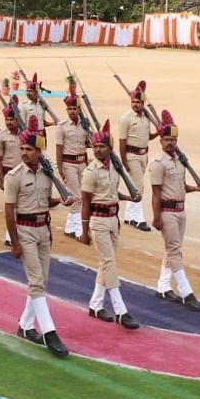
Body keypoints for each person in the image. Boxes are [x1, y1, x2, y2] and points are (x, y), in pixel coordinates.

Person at [5, 118, 72, 357]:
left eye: (29, 149)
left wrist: (61, 201)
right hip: (25, 231)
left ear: (39, 151)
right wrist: (14, 242)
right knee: (35, 280)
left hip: (44, 229)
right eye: (22, 148)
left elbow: (45, 201)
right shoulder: (13, 176)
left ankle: (25, 325)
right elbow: (9, 211)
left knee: (41, 281)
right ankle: (49, 332)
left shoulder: (46, 175)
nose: (24, 153)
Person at [79, 121, 141, 329]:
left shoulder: (115, 167)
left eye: (101, 146)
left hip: (114, 220)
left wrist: (130, 197)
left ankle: (95, 305)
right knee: (109, 263)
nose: (97, 150)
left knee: (106, 263)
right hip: (98, 221)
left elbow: (112, 193)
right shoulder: (90, 171)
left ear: (109, 148)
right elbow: (86, 203)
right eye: (95, 146)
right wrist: (84, 229)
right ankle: (121, 311)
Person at [149, 111, 200, 311]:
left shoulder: (179, 161)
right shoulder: (158, 164)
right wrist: (156, 217)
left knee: (171, 250)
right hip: (167, 211)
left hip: (181, 210)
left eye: (173, 139)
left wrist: (196, 188)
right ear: (161, 141)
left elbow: (180, 186)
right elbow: (156, 193)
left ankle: (163, 286)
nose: (170, 143)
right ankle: (186, 292)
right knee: (175, 251)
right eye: (166, 139)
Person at [117, 81, 158, 231]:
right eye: (133, 102)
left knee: (135, 186)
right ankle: (138, 218)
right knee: (139, 187)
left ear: (143, 103)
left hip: (143, 155)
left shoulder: (147, 118)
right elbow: (122, 142)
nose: (135, 104)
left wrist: (158, 133)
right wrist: (124, 162)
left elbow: (148, 137)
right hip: (131, 155)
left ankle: (129, 215)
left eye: (138, 102)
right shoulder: (125, 119)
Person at [56, 87, 92, 238]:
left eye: (74, 108)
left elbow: (88, 144)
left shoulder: (84, 125)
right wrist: (60, 169)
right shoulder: (62, 126)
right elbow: (59, 148)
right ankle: (77, 227)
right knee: (76, 196)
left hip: (82, 163)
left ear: (79, 109)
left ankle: (70, 226)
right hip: (68, 163)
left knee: (83, 195)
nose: (72, 111)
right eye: (69, 109)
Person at [0, 106, 23, 245]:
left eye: (12, 119)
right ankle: (9, 236)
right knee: (11, 205)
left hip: (23, 173)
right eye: (7, 119)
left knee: (22, 205)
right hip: (9, 173)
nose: (9, 122)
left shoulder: (25, 135)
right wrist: (0, 179)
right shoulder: (0, 137)